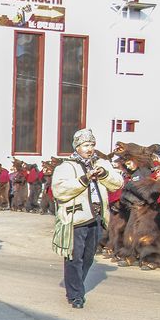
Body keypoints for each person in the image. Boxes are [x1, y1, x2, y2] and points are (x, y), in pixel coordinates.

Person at [51, 129, 122, 308]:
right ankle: (75, 294)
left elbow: (118, 183)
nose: (89, 149)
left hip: (97, 216)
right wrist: (84, 179)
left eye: (91, 145)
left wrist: (104, 175)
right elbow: (59, 190)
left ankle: (77, 285)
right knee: (75, 257)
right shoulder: (66, 166)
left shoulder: (101, 163)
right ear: (77, 147)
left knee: (88, 256)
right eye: (85, 145)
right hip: (76, 217)